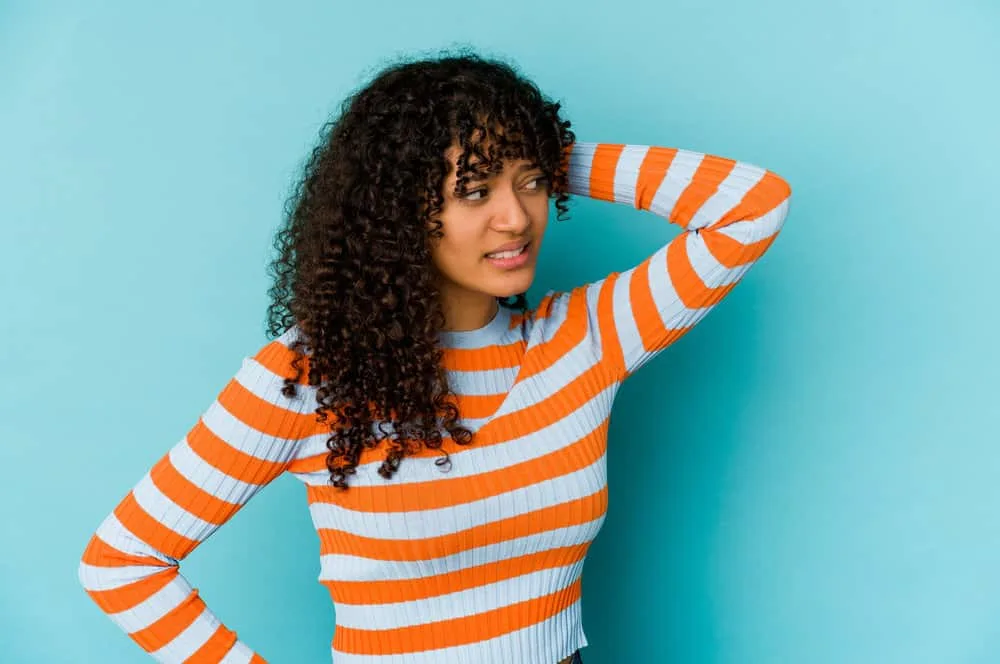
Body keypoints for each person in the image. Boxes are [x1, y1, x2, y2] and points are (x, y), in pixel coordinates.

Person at [77, 47, 792, 664]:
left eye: (532, 184)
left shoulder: (587, 338)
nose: (515, 217)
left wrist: (538, 149)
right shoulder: (307, 379)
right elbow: (122, 562)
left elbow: (752, 206)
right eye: (474, 191)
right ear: (395, 209)